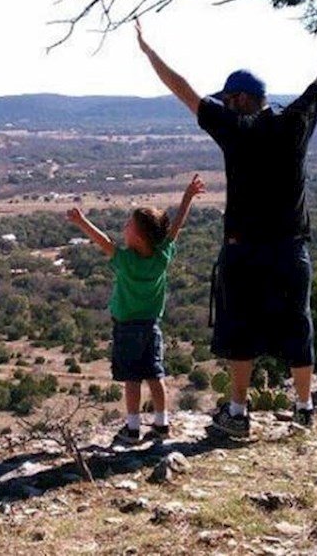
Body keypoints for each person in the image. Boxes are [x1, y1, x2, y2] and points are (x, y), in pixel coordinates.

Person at [135, 15, 317, 437]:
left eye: (228, 98)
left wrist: (149, 54)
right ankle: (304, 409)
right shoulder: (295, 124)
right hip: (292, 248)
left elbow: (183, 90)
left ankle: (237, 414)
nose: (225, 103)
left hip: (244, 249)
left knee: (241, 329)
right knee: (298, 324)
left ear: (238, 99)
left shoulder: (235, 130)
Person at [66, 174, 206, 444]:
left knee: (132, 379)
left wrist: (81, 221)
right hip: (152, 327)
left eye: (129, 225)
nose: (124, 226)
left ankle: (132, 429)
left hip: (126, 327)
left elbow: (103, 241)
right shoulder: (162, 256)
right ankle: (162, 424)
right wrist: (187, 196)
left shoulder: (126, 261)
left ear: (140, 238)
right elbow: (176, 226)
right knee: (155, 374)